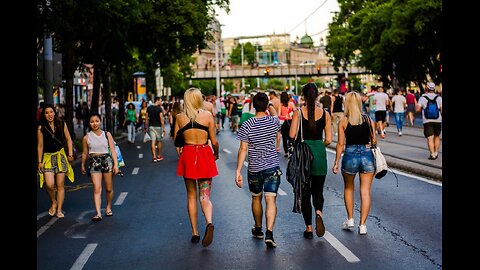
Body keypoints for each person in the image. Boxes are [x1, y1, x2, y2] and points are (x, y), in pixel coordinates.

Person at [235, 92, 281, 248]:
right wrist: (271, 106)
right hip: (272, 167)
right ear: (266, 105)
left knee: (256, 198)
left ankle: (259, 229)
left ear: (253, 105)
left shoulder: (247, 125)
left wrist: (238, 171)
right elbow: (277, 115)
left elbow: (243, 149)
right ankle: (270, 232)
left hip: (254, 168)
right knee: (271, 200)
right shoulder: (273, 122)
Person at [174, 88, 219, 247]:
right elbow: (213, 141)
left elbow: (177, 142)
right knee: (205, 195)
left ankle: (194, 232)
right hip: (205, 154)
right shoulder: (207, 116)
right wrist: (216, 154)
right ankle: (209, 222)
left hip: (188, 154)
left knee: (191, 195)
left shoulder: (179, 117)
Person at [289, 83, 332, 239]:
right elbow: (328, 139)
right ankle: (318, 213)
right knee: (318, 190)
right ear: (317, 95)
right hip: (319, 154)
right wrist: (319, 144)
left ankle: (308, 229)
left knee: (305, 193)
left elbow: (292, 135)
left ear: (303, 96)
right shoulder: (326, 114)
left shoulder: (298, 112)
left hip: (304, 157)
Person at [332, 91, 376, 235]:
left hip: (350, 155)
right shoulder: (369, 120)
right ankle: (362, 225)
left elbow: (340, 144)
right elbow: (374, 141)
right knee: (365, 192)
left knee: (349, 188)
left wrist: (336, 162)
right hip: (367, 155)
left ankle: (350, 219)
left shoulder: (343, 121)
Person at [37, 103, 75, 218]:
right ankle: (54, 201)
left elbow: (69, 139)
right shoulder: (41, 128)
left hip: (60, 156)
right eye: (47, 113)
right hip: (48, 157)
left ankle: (59, 209)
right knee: (49, 184)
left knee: (60, 185)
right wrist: (39, 162)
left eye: (51, 112)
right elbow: (40, 146)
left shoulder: (61, 124)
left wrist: (70, 153)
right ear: (44, 115)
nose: (49, 115)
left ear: (54, 112)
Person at [81, 113, 120, 221]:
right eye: (92, 121)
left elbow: (112, 150)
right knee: (97, 188)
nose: (94, 123)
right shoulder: (86, 137)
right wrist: (82, 164)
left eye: (97, 121)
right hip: (94, 162)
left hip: (107, 161)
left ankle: (108, 207)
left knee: (108, 188)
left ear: (100, 122)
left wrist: (116, 165)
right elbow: (85, 153)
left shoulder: (107, 134)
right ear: (89, 123)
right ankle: (98, 213)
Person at [416, 82, 442, 160]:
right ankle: (436, 152)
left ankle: (432, 154)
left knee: (430, 138)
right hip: (438, 120)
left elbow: (417, 109)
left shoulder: (422, 98)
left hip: (427, 121)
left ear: (427, 88)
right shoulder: (439, 98)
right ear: (434, 88)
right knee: (437, 136)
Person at [145, 97, 166, 162]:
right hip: (158, 127)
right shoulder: (159, 109)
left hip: (151, 126)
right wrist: (163, 128)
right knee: (159, 141)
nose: (161, 102)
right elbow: (161, 119)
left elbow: (146, 119)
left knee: (153, 141)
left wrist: (145, 127)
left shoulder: (149, 108)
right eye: (160, 101)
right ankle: (159, 155)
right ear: (157, 100)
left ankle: (154, 157)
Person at [279, 91, 295, 157]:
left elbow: (278, 115)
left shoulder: (280, 105)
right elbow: (296, 111)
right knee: (291, 136)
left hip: (283, 122)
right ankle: (291, 149)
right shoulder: (291, 103)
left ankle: (286, 152)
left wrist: (284, 116)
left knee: (284, 137)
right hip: (290, 121)